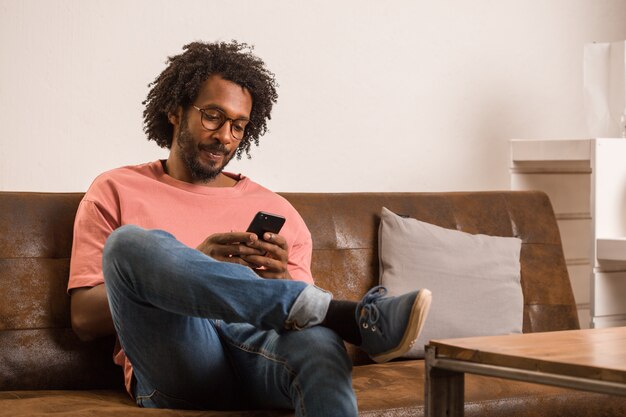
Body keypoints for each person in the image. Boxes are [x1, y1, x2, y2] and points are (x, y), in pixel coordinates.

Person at [68, 41, 432, 416]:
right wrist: (193, 268)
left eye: (238, 126)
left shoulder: (278, 210)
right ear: (174, 111)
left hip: (261, 358)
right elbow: (83, 320)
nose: (225, 137)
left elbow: (295, 333)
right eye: (212, 116)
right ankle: (338, 313)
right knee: (129, 245)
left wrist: (279, 279)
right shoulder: (115, 190)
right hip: (182, 362)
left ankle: (318, 312)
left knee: (320, 341)